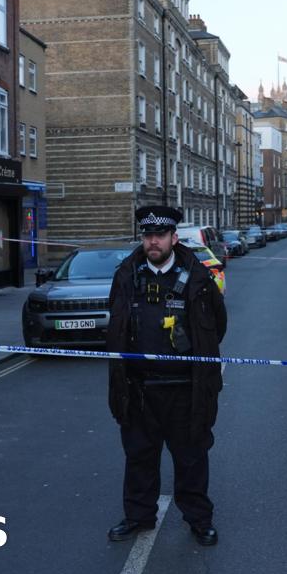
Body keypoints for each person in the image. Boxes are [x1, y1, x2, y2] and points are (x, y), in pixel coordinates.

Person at [104, 205, 227, 547]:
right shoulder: (126, 275)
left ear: (174, 237)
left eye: (160, 236)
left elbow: (217, 324)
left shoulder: (199, 278)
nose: (153, 242)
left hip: (185, 389)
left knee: (191, 458)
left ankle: (199, 519)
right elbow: (116, 321)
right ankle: (138, 516)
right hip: (139, 388)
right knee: (139, 456)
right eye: (147, 235)